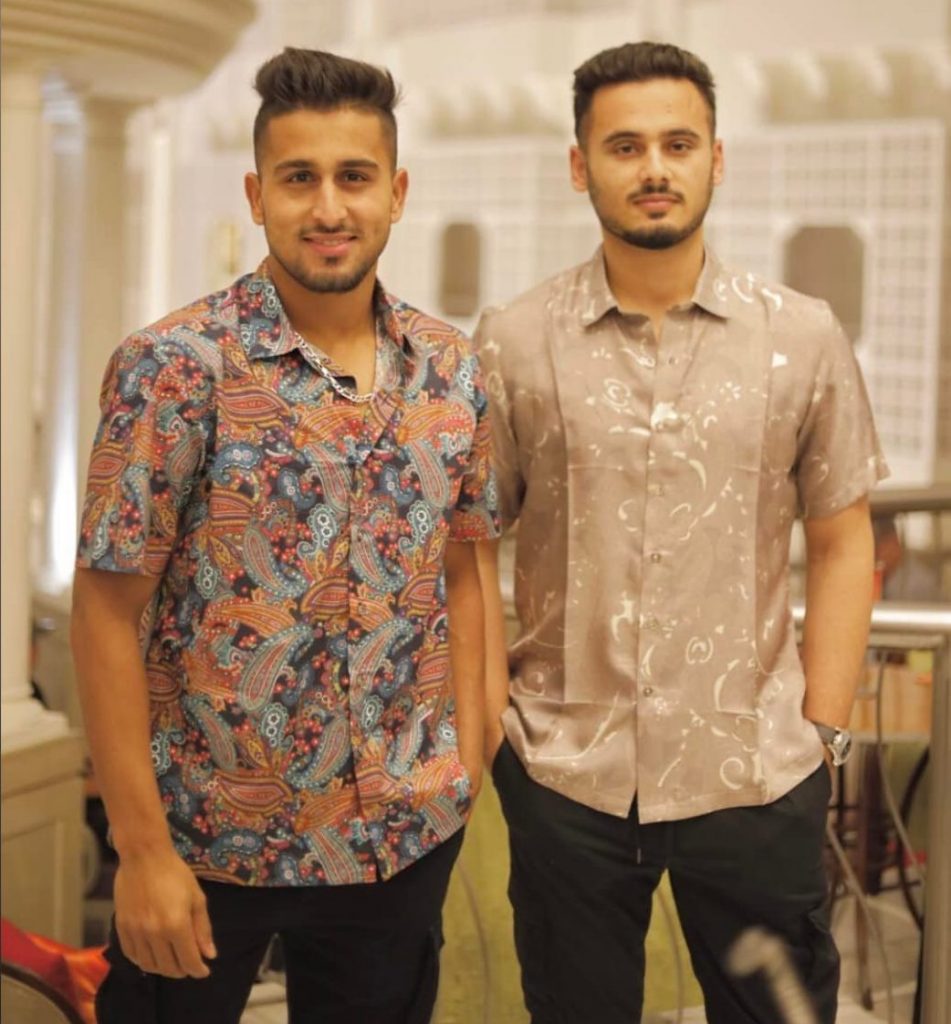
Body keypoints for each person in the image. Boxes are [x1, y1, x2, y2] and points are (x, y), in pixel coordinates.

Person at [70, 47, 498, 1024]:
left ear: (396, 193)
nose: (329, 207)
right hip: (206, 840)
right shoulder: (173, 367)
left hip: (400, 840)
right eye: (300, 178)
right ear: (258, 195)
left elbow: (466, 565)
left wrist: (468, 750)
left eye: (354, 177)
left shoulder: (453, 369)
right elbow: (104, 611)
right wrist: (140, 849)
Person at [473, 41, 888, 1024]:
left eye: (677, 143)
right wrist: (492, 726)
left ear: (715, 158)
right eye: (624, 146)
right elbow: (471, 541)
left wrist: (822, 729)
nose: (653, 168)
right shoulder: (513, 340)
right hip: (565, 774)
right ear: (580, 165)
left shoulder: (801, 335)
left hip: (755, 775)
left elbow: (842, 541)